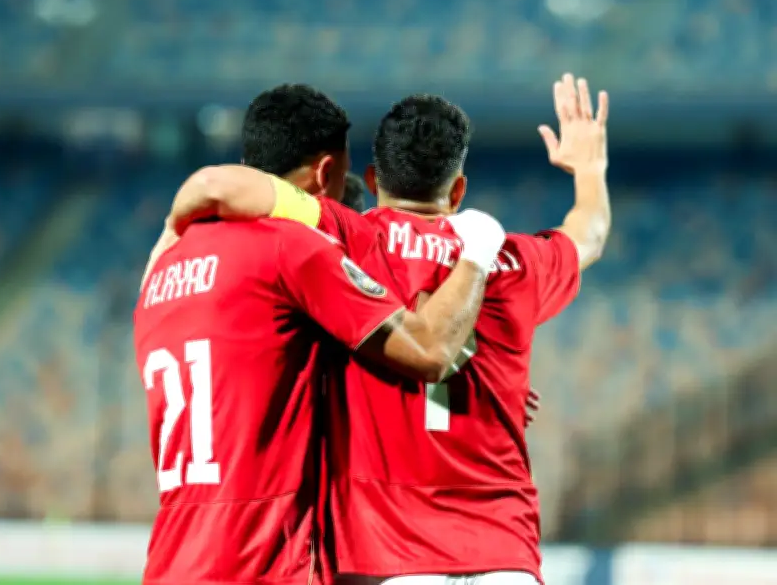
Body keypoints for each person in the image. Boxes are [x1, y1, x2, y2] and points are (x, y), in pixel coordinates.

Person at [153, 74, 610, 584]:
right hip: (505, 553)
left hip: (387, 555)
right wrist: (589, 169)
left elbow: (222, 187)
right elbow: (588, 234)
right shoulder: (514, 260)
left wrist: (173, 230)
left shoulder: (344, 241)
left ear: (371, 180)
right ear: (459, 189)